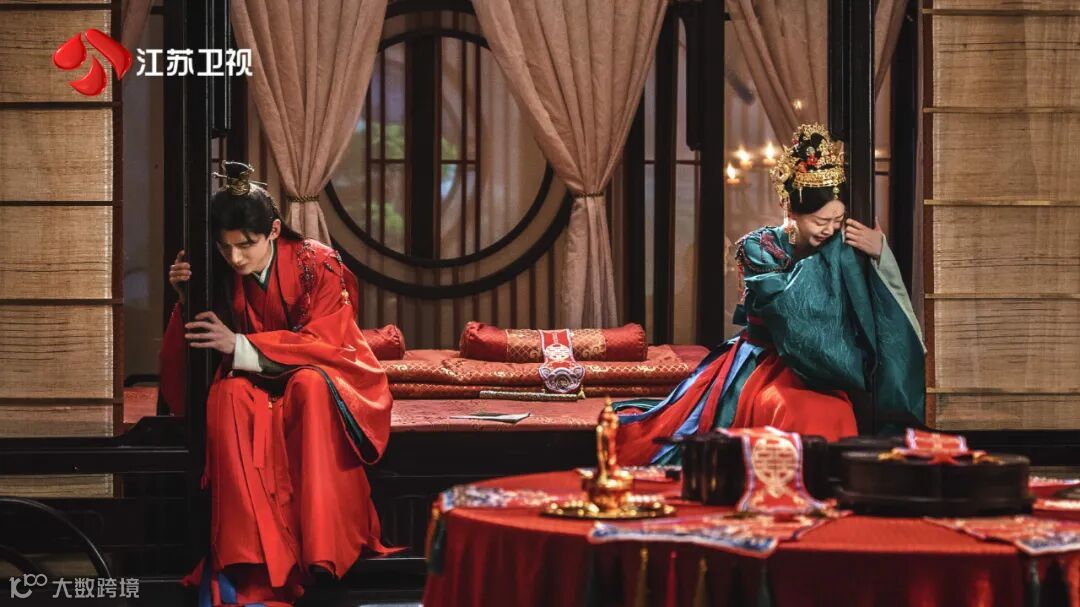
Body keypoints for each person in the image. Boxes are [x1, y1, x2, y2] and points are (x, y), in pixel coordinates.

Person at [617, 124, 925, 465]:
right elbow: (792, 316)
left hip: (827, 364)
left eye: (838, 220)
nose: (831, 230)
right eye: (820, 221)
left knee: (835, 410)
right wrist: (837, 257)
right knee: (797, 411)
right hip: (768, 359)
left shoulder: (842, 246)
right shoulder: (759, 246)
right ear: (791, 210)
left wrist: (879, 252)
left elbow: (873, 303)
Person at [158, 162, 394, 606]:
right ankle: (247, 558)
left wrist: (241, 345)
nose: (236, 258)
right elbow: (199, 345)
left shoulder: (318, 264)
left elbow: (329, 342)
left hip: (315, 374)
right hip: (248, 379)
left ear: (274, 230)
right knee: (228, 395)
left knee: (309, 387)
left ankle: (319, 547)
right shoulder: (214, 267)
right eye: (226, 246)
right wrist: (186, 297)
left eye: (246, 245)